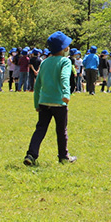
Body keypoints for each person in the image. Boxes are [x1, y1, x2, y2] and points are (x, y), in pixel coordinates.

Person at [24, 31, 77, 166]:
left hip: (43, 102)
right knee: (61, 130)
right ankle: (64, 157)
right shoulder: (65, 61)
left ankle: (31, 155)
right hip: (59, 103)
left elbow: (38, 85)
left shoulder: (45, 62)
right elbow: (64, 78)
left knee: (40, 129)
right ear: (64, 48)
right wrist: (66, 93)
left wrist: (36, 103)